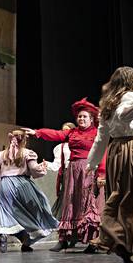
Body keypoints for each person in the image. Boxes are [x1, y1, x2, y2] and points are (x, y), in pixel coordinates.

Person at [88, 67, 133, 263]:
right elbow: (125, 114)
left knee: (119, 195)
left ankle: (129, 250)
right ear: (132, 81)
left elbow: (101, 138)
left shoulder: (107, 105)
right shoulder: (130, 98)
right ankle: (116, 237)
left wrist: (92, 163)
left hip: (115, 151)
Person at [23, 98, 106, 253]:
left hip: (89, 170)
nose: (81, 119)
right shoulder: (72, 133)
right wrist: (37, 132)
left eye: (85, 117)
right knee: (70, 204)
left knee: (88, 204)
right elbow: (56, 134)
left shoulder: (97, 133)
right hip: (74, 172)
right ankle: (64, 240)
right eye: (79, 117)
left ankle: (92, 242)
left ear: (92, 119)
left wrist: (101, 174)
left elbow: (102, 153)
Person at [0, 130, 58, 253]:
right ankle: (30, 238)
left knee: (6, 211)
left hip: (5, 185)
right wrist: (41, 168)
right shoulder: (27, 153)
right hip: (22, 185)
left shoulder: (0, 155)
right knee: (35, 209)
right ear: (24, 140)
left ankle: (5, 235)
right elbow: (34, 169)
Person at [47, 122, 75, 219]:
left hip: (80, 172)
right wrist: (46, 164)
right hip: (67, 173)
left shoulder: (79, 144)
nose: (65, 132)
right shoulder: (60, 147)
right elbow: (57, 165)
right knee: (68, 197)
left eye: (67, 130)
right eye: (63, 131)